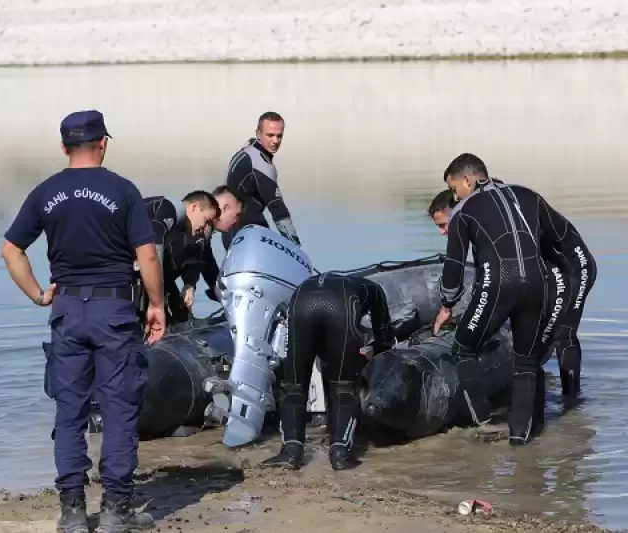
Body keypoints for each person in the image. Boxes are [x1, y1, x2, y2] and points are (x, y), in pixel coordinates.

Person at [0, 110, 164, 533]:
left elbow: (11, 250)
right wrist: (157, 304)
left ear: (63, 147)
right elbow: (146, 254)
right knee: (119, 409)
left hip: (67, 311)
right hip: (113, 311)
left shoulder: (46, 192)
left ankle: (73, 512)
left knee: (69, 412)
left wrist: (39, 294)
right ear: (103, 143)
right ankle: (115, 510)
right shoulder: (123, 190)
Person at [426, 187, 597, 404]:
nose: (443, 232)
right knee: (534, 348)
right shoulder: (480, 219)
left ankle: (569, 405)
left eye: (443, 225)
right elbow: (487, 278)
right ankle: (543, 414)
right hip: (541, 271)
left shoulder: (480, 211)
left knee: (560, 336)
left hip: (570, 267)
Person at [433, 153, 559, 446]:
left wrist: (446, 306)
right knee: (527, 361)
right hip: (539, 283)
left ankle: (484, 422)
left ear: (467, 180)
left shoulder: (464, 210)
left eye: (454, 189)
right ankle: (522, 439)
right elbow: (554, 239)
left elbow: (453, 266)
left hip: (499, 284)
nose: (455, 196)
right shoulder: (523, 196)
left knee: (463, 349)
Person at [261, 272, 396, 471]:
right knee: (343, 386)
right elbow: (384, 340)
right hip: (342, 303)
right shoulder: (374, 290)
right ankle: (340, 453)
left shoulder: (309, 284)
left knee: (294, 386)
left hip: (301, 300)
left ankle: (291, 452)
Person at [137, 191, 221, 327]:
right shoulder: (168, 208)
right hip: (126, 271)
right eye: (206, 221)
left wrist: (190, 284)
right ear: (194, 207)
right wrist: (157, 300)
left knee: (180, 312)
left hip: (154, 275)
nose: (206, 228)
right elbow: (154, 246)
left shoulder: (191, 232)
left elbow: (200, 261)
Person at [223, 111, 301, 248]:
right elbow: (278, 210)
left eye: (279, 136)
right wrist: (296, 249)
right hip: (244, 233)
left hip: (233, 231)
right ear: (258, 133)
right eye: (270, 135)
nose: (275, 141)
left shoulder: (248, 149)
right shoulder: (261, 164)